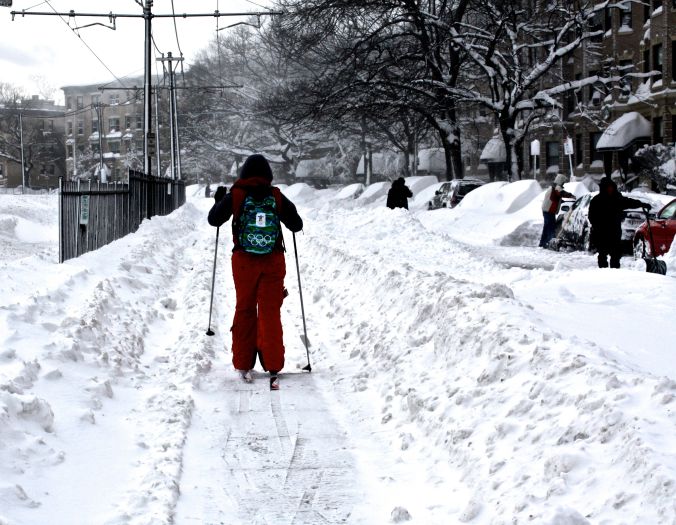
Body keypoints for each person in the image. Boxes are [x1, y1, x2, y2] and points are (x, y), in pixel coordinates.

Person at [208, 154, 303, 389]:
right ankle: (273, 363)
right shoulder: (276, 196)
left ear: (243, 174)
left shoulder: (237, 195)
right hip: (273, 261)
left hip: (244, 262)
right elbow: (297, 225)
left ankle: (243, 362)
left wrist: (219, 201)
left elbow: (214, 220)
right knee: (270, 312)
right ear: (268, 175)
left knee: (245, 308)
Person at [588, 177, 648, 269]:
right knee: (602, 254)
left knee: (615, 254)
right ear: (604, 188)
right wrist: (598, 226)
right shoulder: (597, 200)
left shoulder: (616, 199)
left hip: (614, 231)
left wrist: (642, 204)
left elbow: (629, 202)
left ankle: (615, 273)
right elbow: (591, 216)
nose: (610, 189)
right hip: (601, 233)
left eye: (611, 187)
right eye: (608, 187)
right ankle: (603, 273)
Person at [539, 173, 575, 248]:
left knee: (546, 227)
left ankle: (543, 243)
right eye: (563, 182)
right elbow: (561, 193)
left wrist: (560, 201)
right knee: (551, 227)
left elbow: (554, 197)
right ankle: (550, 244)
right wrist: (571, 195)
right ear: (561, 181)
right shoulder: (557, 187)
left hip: (546, 210)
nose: (563, 184)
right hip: (549, 210)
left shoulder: (552, 187)